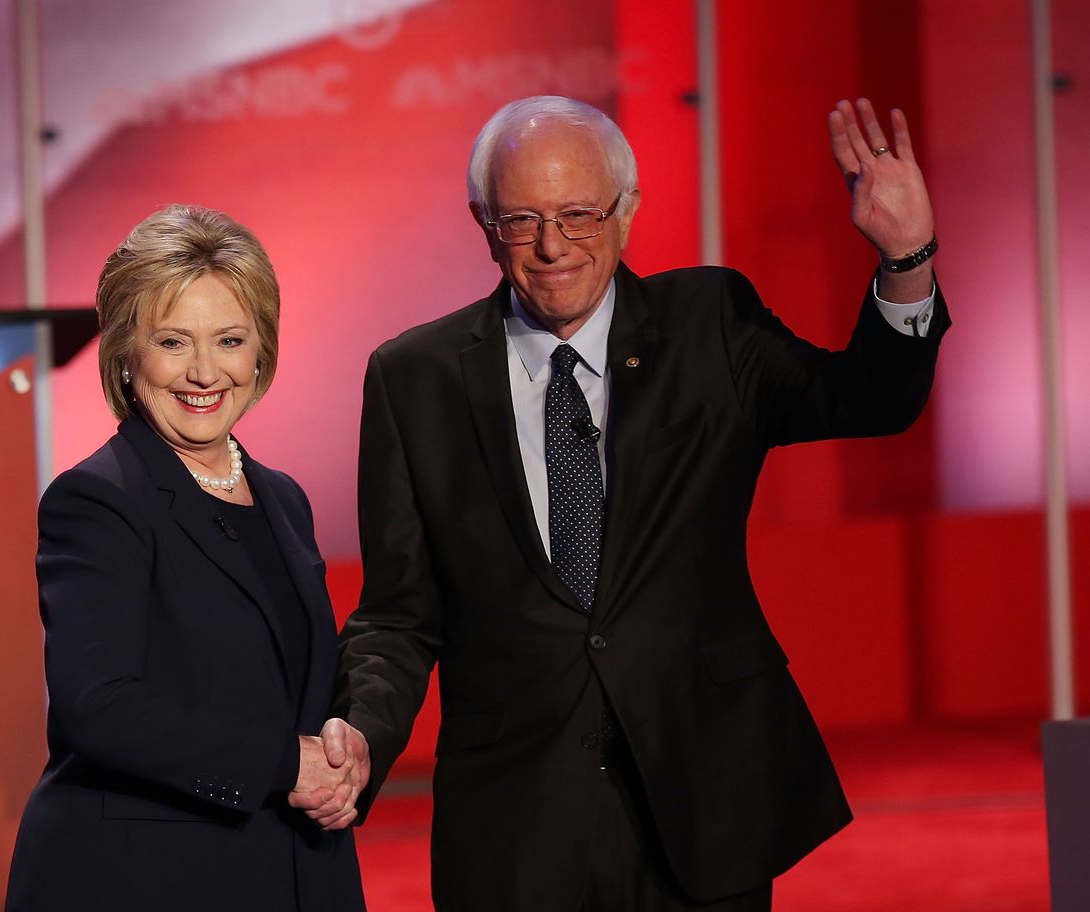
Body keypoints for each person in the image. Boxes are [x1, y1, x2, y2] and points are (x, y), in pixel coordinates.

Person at [330, 96, 946, 910]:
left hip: (699, 794)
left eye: (581, 214)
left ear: (628, 210)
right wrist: (363, 737)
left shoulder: (710, 325)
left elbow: (868, 400)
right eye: (522, 219)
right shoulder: (414, 378)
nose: (553, 247)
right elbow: (400, 614)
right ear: (483, 221)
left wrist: (907, 260)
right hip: (515, 817)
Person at [6, 204, 367, 911]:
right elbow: (98, 705)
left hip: (290, 869)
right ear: (127, 355)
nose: (205, 372)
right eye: (173, 342)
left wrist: (341, 742)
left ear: (261, 350)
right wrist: (280, 763)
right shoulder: (98, 500)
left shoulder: (282, 499)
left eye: (230, 339)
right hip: (145, 876)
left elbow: (286, 684)